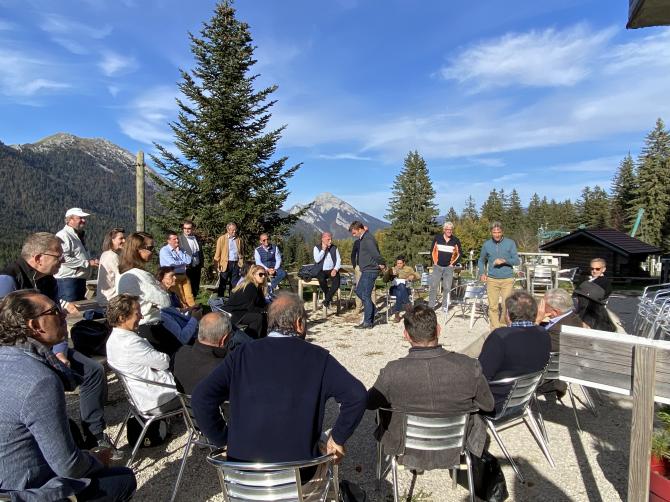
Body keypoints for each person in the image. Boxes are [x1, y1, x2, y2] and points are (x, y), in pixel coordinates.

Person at [192, 292, 367, 465]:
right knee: (327, 451)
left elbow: (201, 398)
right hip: (299, 474)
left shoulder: (241, 355)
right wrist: (337, 438)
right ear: (299, 324)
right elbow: (357, 395)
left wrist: (223, 440)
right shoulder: (318, 358)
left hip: (242, 474)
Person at [0, 290, 136, 501]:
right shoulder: (41, 380)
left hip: (6, 475)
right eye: (55, 312)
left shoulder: (7, 358)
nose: (64, 315)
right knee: (123, 479)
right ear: (34, 326)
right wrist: (96, 458)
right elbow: (69, 466)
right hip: (22, 490)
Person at [0, 232, 111, 451]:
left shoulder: (49, 281)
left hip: (47, 348)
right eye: (58, 256)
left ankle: (95, 433)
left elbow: (59, 319)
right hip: (19, 356)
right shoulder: (8, 279)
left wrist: (60, 351)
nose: (62, 261)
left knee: (94, 371)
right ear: (38, 257)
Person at [367, 304, 494, 469]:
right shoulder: (469, 366)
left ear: (406, 335)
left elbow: (369, 403)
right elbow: (488, 405)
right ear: (439, 330)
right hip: (456, 445)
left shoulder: (392, 371)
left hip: (407, 446)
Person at [105, 294, 179, 413]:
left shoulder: (112, 340)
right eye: (137, 313)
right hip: (158, 398)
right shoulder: (130, 343)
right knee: (204, 384)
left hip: (139, 395)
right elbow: (164, 362)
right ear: (122, 318)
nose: (142, 316)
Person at [478, 290, 551, 411]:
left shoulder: (500, 337)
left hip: (496, 400)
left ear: (507, 313)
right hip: (524, 397)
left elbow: (482, 375)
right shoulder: (543, 334)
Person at [117, 232, 181, 356]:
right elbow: (165, 301)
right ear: (137, 250)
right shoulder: (141, 275)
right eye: (150, 248)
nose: (153, 252)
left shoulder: (124, 273)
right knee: (178, 357)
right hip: (149, 327)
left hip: (139, 326)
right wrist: (159, 294)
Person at [173, 312, 252, 394]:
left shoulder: (180, 354)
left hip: (188, 403)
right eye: (230, 335)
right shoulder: (228, 368)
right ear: (223, 340)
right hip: (223, 405)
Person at [535, 288, 585, 397]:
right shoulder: (573, 318)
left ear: (555, 311)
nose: (540, 307)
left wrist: (537, 321)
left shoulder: (556, 332)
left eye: (543, 305)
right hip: (568, 364)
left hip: (546, 374)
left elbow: (530, 343)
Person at [478, 221, 520, 331]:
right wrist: (482, 273)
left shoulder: (510, 243)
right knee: (493, 306)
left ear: (502, 232)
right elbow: (481, 260)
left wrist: (504, 260)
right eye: (494, 232)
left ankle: (503, 326)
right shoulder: (486, 245)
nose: (496, 234)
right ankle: (495, 330)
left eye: (499, 232)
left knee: (506, 306)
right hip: (492, 279)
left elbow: (516, 261)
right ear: (491, 233)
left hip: (507, 279)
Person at [54, 207, 99, 302]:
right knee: (70, 312)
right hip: (67, 281)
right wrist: (87, 263)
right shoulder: (63, 235)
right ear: (70, 220)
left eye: (84, 218)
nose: (83, 220)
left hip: (78, 280)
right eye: (80, 218)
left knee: (78, 311)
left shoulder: (77, 235)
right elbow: (63, 258)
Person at [349, 221, 385, 329]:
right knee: (359, 292)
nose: (353, 235)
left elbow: (375, 253)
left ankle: (367, 322)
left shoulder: (368, 239)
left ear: (360, 229)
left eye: (354, 233)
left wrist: (382, 263)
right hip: (366, 270)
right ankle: (374, 311)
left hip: (371, 270)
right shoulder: (363, 239)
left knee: (365, 295)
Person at [156, 267, 199, 345]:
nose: (175, 277)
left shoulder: (172, 293)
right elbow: (166, 312)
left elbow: (172, 310)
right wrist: (194, 318)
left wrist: (188, 310)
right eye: (171, 276)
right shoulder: (160, 299)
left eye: (175, 275)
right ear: (162, 279)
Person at [225, 264, 268, 339]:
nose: (263, 276)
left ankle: (261, 340)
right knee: (258, 318)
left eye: (265, 274)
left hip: (242, 310)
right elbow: (250, 308)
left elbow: (262, 304)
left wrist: (270, 307)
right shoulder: (250, 286)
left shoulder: (258, 287)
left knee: (265, 316)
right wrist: (265, 310)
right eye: (260, 274)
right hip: (234, 313)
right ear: (253, 275)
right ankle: (248, 340)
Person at [429, 221, 461, 312]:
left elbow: (459, 254)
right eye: (447, 229)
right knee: (434, 286)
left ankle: (444, 306)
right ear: (444, 230)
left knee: (447, 287)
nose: (449, 231)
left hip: (449, 268)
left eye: (450, 230)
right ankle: (431, 306)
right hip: (437, 266)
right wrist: (434, 262)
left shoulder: (455, 240)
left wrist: (452, 264)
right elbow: (432, 250)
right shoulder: (437, 238)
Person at [159, 231, 195, 307]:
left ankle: (195, 313)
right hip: (173, 277)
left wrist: (179, 253)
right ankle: (184, 314)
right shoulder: (164, 250)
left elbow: (189, 261)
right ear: (168, 241)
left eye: (177, 238)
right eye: (174, 239)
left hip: (184, 276)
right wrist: (183, 262)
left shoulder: (180, 249)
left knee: (190, 297)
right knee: (180, 298)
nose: (177, 241)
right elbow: (172, 263)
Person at [383, 255, 419, 322]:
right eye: (397, 263)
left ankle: (397, 316)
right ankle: (409, 306)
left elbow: (418, 276)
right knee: (400, 287)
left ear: (404, 263)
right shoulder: (393, 269)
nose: (399, 265)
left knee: (401, 289)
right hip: (394, 289)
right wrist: (388, 273)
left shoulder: (409, 269)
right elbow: (384, 280)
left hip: (406, 288)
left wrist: (413, 276)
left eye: (400, 263)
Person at [95, 227, 125, 305]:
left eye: (124, 238)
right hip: (111, 299)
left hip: (104, 297)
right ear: (112, 240)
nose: (124, 241)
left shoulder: (105, 254)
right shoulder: (112, 256)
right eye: (121, 239)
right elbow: (122, 276)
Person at [214, 222, 244, 298]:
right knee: (223, 283)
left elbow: (241, 252)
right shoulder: (222, 239)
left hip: (236, 264)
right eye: (232, 230)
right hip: (225, 264)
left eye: (235, 230)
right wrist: (216, 265)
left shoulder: (239, 239)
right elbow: (217, 253)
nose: (234, 232)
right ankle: (220, 300)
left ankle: (232, 300)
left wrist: (241, 262)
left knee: (234, 284)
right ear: (228, 230)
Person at [313, 232, 342, 309]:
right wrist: (323, 250)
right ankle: (328, 297)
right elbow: (317, 260)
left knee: (337, 282)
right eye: (328, 239)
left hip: (332, 269)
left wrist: (335, 269)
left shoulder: (334, 247)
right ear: (323, 239)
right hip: (321, 270)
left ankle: (327, 300)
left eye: (331, 239)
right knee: (321, 279)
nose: (330, 241)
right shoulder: (316, 247)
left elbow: (339, 260)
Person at [179, 220, 204, 298]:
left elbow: (200, 251)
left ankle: (194, 305)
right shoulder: (179, 239)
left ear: (192, 229)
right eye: (185, 228)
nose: (187, 230)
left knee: (195, 286)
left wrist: (201, 263)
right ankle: (187, 306)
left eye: (189, 228)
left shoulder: (196, 238)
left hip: (196, 266)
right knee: (187, 287)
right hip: (186, 267)